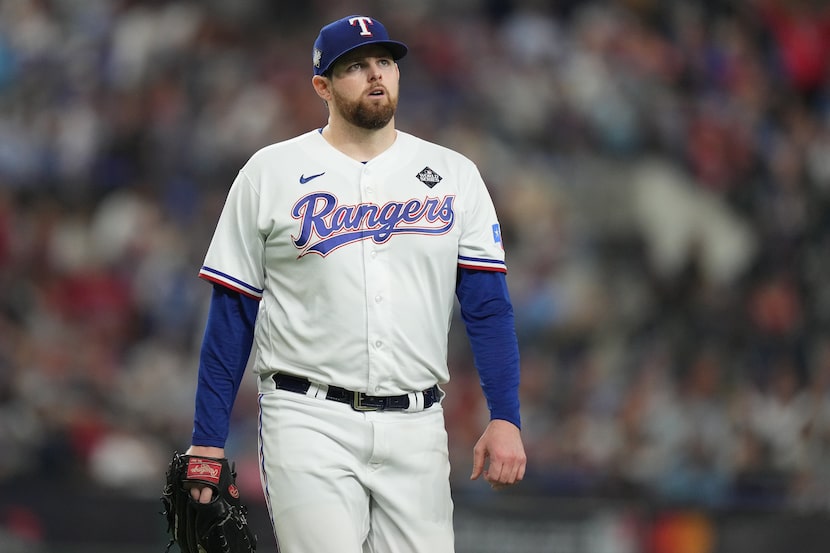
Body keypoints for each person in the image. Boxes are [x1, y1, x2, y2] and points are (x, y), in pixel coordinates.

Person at [183, 14, 526, 552]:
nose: (375, 75)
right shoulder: (269, 172)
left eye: (385, 62)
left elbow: (488, 307)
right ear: (321, 85)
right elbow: (232, 312)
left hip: (417, 423)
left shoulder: (453, 174)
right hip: (307, 417)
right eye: (355, 66)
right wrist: (207, 440)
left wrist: (505, 416)